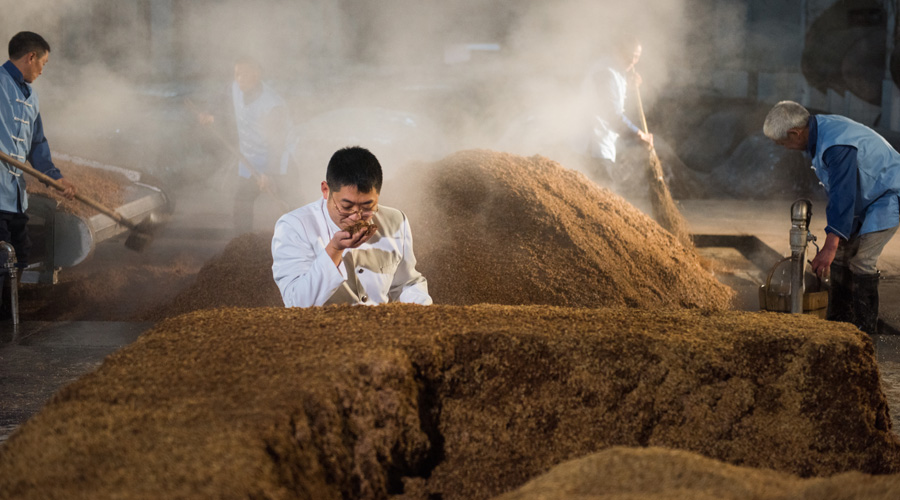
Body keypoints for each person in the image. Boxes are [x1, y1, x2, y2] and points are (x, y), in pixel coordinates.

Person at [764, 100, 900, 334]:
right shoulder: (819, 130)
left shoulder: (835, 144)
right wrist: (834, 246)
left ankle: (864, 333)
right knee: (840, 258)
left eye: (782, 142)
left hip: (888, 193)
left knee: (862, 262)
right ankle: (838, 324)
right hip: (868, 196)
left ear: (795, 132)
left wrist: (830, 244)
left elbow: (843, 194)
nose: (784, 148)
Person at [271, 146, 432, 307]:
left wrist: (425, 312)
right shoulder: (294, 226)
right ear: (326, 190)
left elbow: (406, 284)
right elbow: (296, 302)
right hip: (322, 330)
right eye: (346, 207)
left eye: (368, 207)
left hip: (383, 329)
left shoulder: (396, 221)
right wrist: (334, 249)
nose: (356, 216)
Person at [0, 31, 76, 269]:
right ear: (31, 57)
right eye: (43, 63)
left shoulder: (32, 98)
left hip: (16, 200)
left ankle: (8, 307)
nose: (42, 71)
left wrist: (56, 178)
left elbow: (37, 144)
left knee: (20, 258)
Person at [197, 56, 292, 234]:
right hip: (249, 160)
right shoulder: (234, 88)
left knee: (292, 204)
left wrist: (269, 174)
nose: (238, 79)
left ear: (256, 75)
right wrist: (209, 113)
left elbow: (278, 143)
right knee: (242, 202)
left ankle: (311, 245)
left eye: (244, 75)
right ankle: (243, 243)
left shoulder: (272, 105)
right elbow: (221, 98)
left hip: (278, 162)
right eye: (236, 74)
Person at [581, 36, 654, 192]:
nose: (632, 60)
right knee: (603, 196)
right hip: (592, 145)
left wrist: (627, 84)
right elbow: (612, 116)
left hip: (602, 143)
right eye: (629, 54)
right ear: (617, 50)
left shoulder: (616, 70)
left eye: (636, 56)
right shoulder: (606, 72)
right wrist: (639, 134)